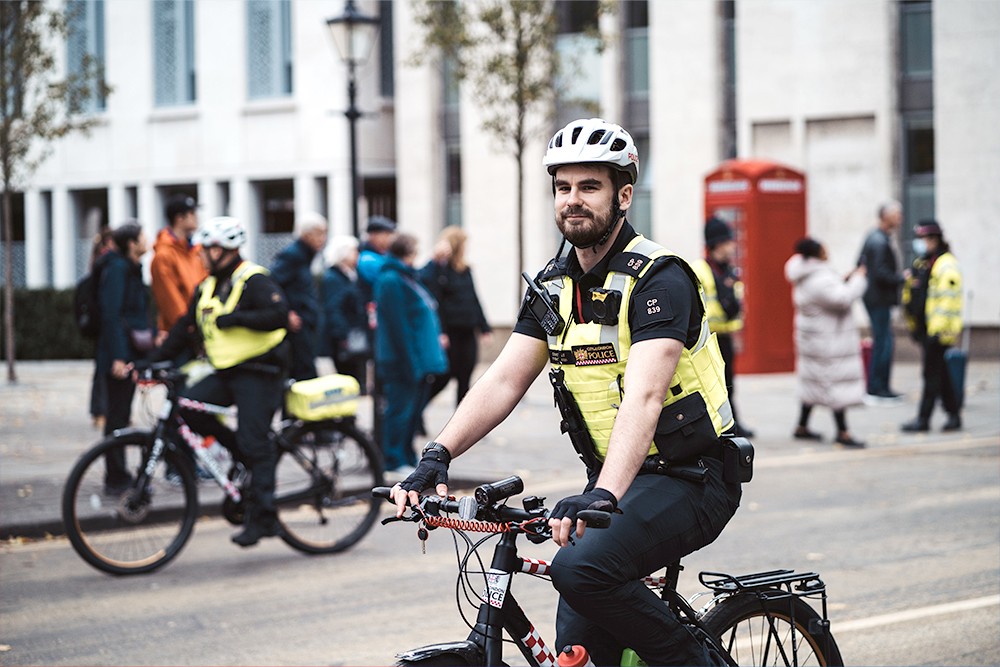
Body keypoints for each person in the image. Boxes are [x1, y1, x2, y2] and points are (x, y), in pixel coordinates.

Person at [392, 118, 742, 666]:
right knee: (576, 650)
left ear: (623, 196)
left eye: (589, 186)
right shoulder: (552, 286)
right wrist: (437, 455)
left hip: (693, 476)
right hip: (616, 480)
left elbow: (645, 397)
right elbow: (504, 380)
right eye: (562, 187)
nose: (572, 199)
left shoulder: (660, 279)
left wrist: (603, 494)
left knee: (581, 570)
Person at [154, 216, 290, 547]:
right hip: (228, 370)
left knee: (256, 442)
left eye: (207, 249)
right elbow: (184, 328)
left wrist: (237, 319)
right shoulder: (207, 285)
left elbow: (279, 315)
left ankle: (265, 517)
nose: (201, 254)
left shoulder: (253, 279)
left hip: (261, 371)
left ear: (224, 250)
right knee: (188, 409)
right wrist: (150, 362)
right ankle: (240, 453)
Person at [374, 233, 448, 478]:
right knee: (400, 410)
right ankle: (393, 459)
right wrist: (412, 362)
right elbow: (399, 326)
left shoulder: (405, 277)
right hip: (401, 360)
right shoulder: (391, 280)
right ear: (408, 252)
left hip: (415, 358)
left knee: (412, 412)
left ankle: (405, 455)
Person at [783, 237, 868, 448]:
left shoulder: (806, 273)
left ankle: (802, 426)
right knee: (833, 384)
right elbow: (842, 299)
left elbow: (831, 293)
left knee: (812, 383)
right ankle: (843, 432)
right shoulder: (818, 278)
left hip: (815, 339)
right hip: (827, 341)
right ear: (817, 254)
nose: (827, 252)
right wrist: (859, 279)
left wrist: (845, 278)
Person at [96, 222, 152, 493]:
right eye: (142, 236)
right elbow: (112, 315)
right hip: (119, 355)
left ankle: (118, 473)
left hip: (129, 352)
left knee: (121, 413)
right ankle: (116, 476)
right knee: (117, 416)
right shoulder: (118, 269)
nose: (147, 240)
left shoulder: (130, 268)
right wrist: (118, 357)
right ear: (132, 243)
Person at [691, 216, 753, 437]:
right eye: (728, 242)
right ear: (717, 244)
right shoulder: (700, 269)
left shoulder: (729, 270)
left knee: (728, 382)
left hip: (725, 336)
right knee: (713, 384)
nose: (732, 246)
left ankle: (731, 422)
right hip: (708, 338)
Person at [900, 221, 964, 433]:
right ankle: (954, 414)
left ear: (934, 239)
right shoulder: (922, 263)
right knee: (941, 373)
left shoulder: (946, 264)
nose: (920, 243)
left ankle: (923, 419)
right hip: (924, 328)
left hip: (937, 331)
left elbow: (948, 301)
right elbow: (914, 293)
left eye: (923, 239)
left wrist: (938, 331)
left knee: (931, 375)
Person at [420, 226, 492, 406]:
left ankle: (463, 421)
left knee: (465, 379)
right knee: (443, 377)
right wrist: (441, 332)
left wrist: (484, 327)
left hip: (468, 331)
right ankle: (416, 410)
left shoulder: (465, 270)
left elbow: (474, 299)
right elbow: (432, 296)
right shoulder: (439, 270)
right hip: (450, 333)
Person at [270, 212, 328, 382]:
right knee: (304, 373)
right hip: (298, 326)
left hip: (305, 322)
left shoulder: (304, 255)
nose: (323, 239)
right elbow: (272, 283)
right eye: (319, 233)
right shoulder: (293, 255)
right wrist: (286, 313)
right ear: (306, 234)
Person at [857, 201, 905, 403]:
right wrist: (902, 278)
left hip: (877, 298)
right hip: (878, 299)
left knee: (883, 341)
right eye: (897, 214)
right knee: (883, 343)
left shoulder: (876, 237)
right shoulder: (878, 241)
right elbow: (879, 272)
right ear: (885, 216)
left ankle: (879, 387)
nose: (900, 218)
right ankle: (877, 388)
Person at [150, 194, 206, 344]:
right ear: (179, 218)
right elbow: (170, 299)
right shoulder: (164, 255)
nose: (196, 217)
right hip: (180, 336)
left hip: (198, 330)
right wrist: (188, 329)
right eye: (192, 213)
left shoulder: (195, 251)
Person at [321, 235, 369, 387]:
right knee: (350, 380)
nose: (357, 255)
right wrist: (342, 335)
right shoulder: (334, 277)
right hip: (345, 338)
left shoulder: (350, 275)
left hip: (353, 334)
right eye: (354, 251)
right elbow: (334, 308)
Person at [88, 226, 116, 431]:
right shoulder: (107, 262)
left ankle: (101, 411)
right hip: (105, 325)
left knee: (102, 370)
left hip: (102, 325)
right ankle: (100, 411)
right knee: (103, 370)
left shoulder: (99, 260)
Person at [356, 215, 397, 303]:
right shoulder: (367, 258)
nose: (390, 239)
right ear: (373, 235)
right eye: (386, 234)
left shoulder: (383, 254)